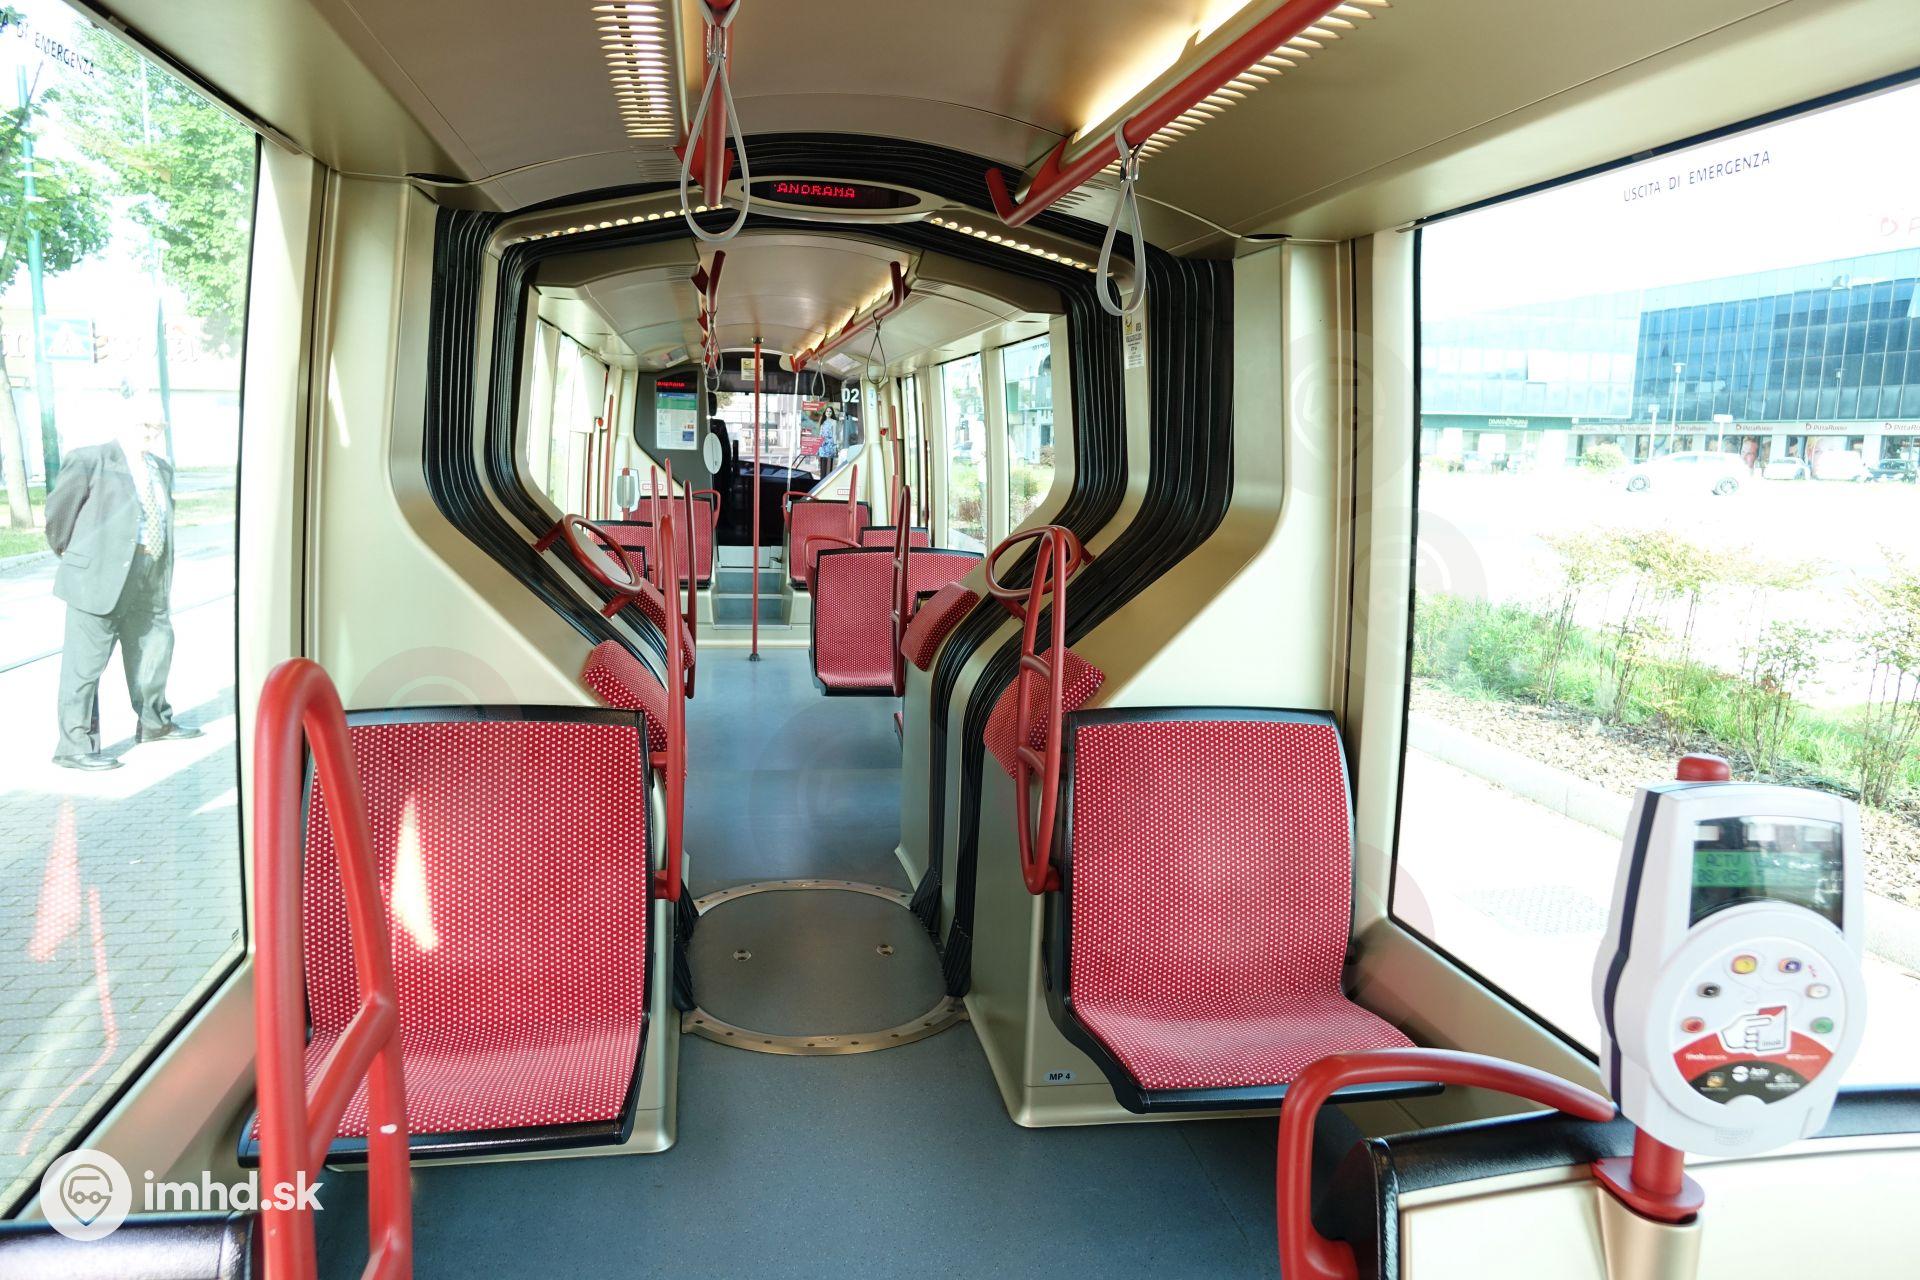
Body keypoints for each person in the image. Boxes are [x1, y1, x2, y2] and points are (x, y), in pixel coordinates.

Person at [43, 399, 202, 771]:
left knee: (153, 651)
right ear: (124, 424)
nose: (151, 432)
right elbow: (57, 515)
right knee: (85, 667)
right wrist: (78, 557)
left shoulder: (161, 468)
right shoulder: (91, 460)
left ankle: (155, 723)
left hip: (150, 576)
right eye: (144, 424)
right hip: (96, 580)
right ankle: (74, 746)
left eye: (157, 426)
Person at [816, 413, 839, 478]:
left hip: (829, 444)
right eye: (827, 411)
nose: (828, 412)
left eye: (830, 411)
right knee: (822, 464)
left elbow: (834, 434)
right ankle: (823, 479)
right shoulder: (822, 422)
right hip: (823, 445)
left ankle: (826, 479)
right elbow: (820, 434)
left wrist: (835, 446)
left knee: (829, 464)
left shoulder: (833, 422)